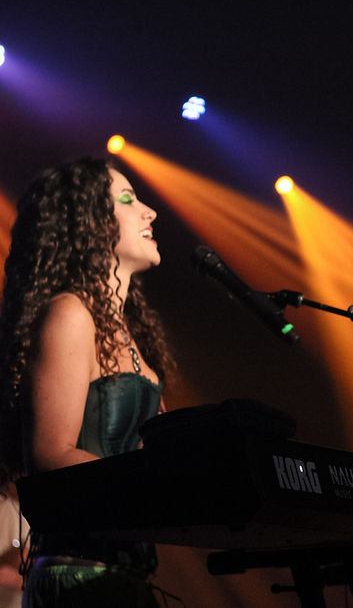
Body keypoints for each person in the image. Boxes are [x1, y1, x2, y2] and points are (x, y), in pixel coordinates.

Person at [0, 157, 173, 606]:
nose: (149, 211)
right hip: (80, 577)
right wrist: (152, 486)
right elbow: (49, 454)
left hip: (125, 576)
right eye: (127, 199)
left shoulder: (134, 336)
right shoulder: (70, 314)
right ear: (88, 222)